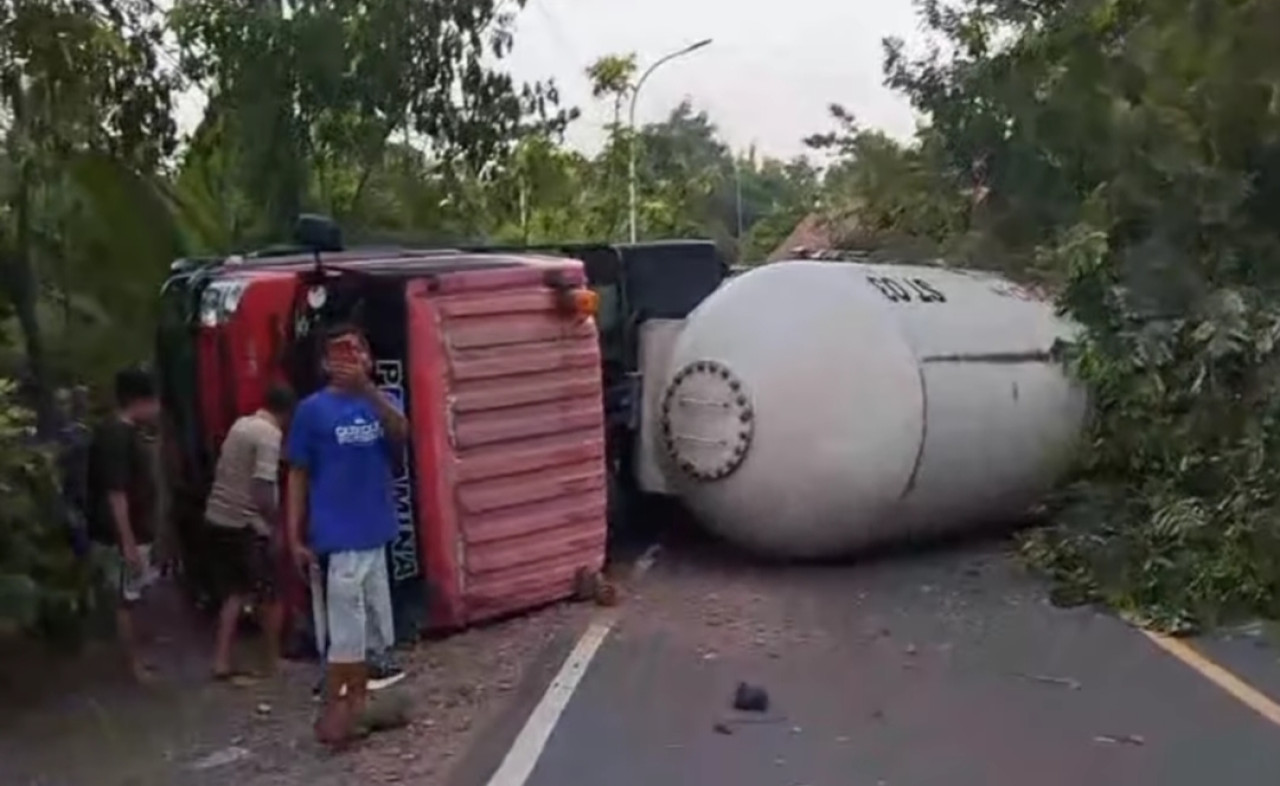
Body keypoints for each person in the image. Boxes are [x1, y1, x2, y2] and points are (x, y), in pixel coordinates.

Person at [285, 323, 409, 748]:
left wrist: (367, 391)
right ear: (324, 364)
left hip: (377, 531)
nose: (350, 358)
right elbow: (297, 475)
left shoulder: (383, 403)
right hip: (336, 536)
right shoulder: (311, 411)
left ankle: (361, 706)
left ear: (369, 361)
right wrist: (294, 536)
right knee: (344, 630)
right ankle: (340, 711)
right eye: (341, 353)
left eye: (358, 351)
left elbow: (402, 436)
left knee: (373, 632)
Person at [206, 384, 296, 680]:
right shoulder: (269, 436)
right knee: (270, 593)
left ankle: (220, 660)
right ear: (286, 414)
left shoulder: (242, 425)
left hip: (219, 518)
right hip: (246, 524)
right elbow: (263, 486)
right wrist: (276, 524)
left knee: (235, 593)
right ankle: (271, 660)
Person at [86, 367, 162, 683]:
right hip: (121, 534)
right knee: (125, 601)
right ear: (138, 400)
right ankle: (133, 667)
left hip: (135, 529)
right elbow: (116, 493)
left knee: (133, 596)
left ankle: (138, 659)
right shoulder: (116, 435)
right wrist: (127, 541)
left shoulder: (126, 433)